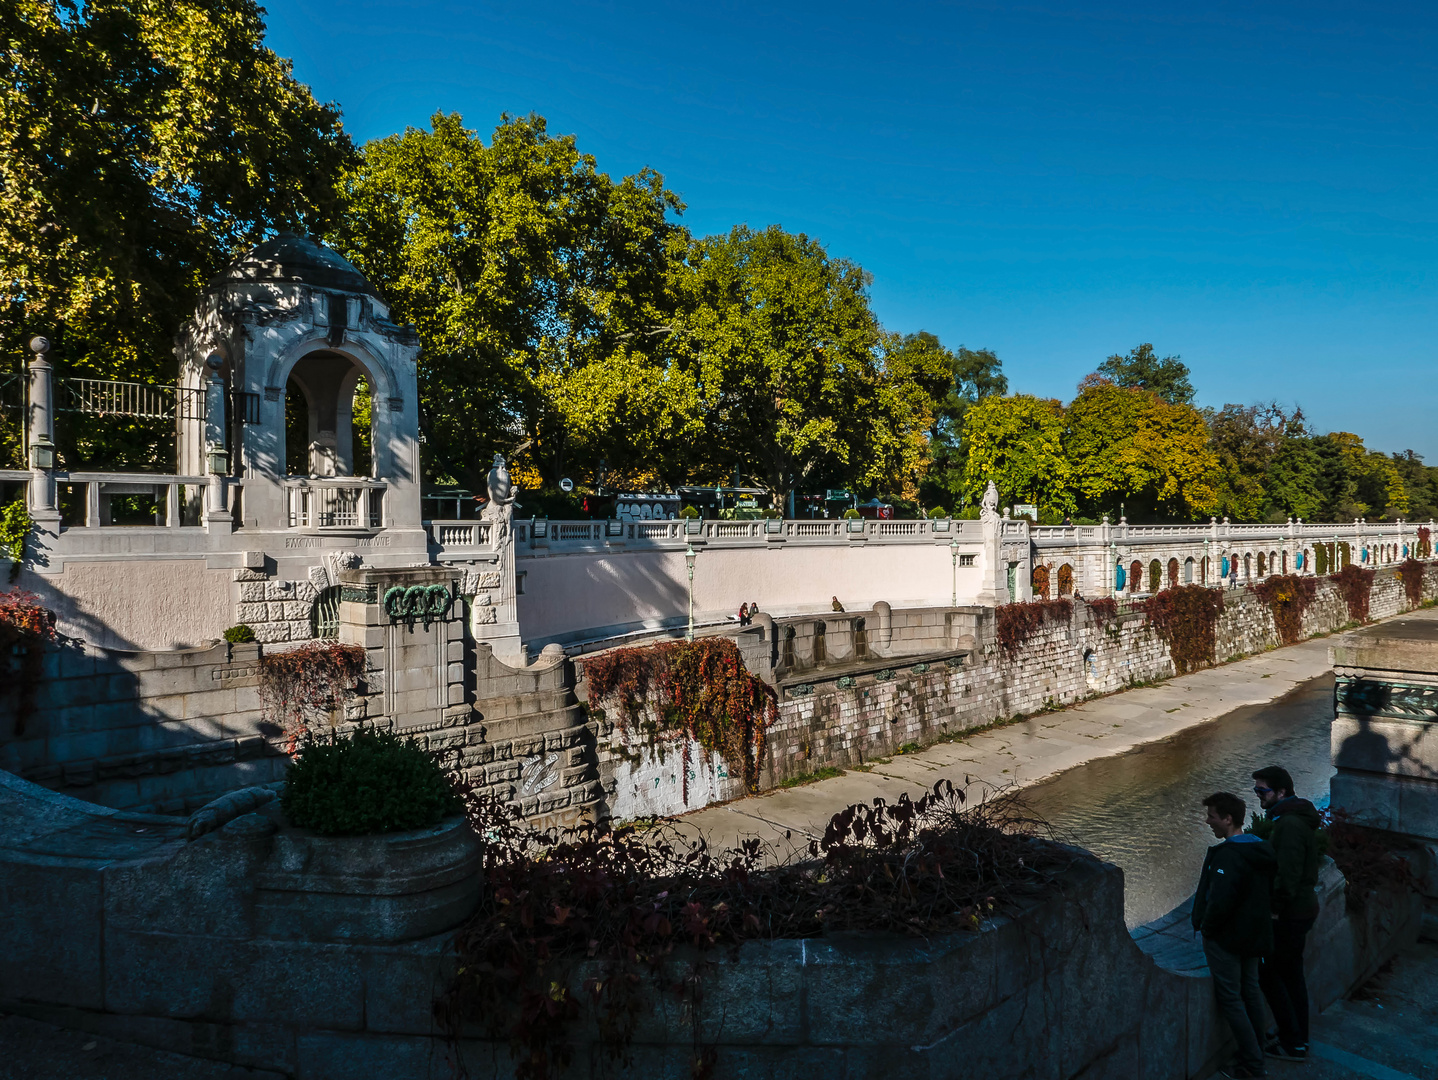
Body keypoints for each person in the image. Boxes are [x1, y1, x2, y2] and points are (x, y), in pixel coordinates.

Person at [1192, 792, 1277, 1080]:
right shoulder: (1261, 849)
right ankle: (1258, 1054)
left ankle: (1252, 1064)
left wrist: (1207, 929)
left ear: (1228, 819)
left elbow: (1220, 902)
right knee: (1251, 991)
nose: (1208, 821)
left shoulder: (1229, 855)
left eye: (1212, 816)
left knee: (1231, 998)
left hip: (1228, 939)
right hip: (1255, 936)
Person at [1252, 766, 1322, 1062]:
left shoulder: (1289, 825)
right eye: (1256, 791)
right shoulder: (1291, 819)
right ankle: (1294, 1036)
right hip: (1300, 910)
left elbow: (1288, 875)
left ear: (1281, 792)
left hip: (1290, 914)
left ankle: (1293, 1043)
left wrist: (1275, 910)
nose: (1258, 797)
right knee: (1291, 977)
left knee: (1270, 974)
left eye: (1262, 791)